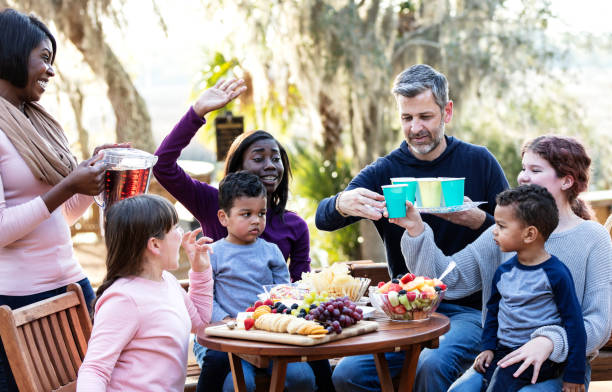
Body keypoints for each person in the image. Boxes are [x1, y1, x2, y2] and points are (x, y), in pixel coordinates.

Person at [327, 64, 509, 392]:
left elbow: (517, 236)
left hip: (468, 309)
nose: (415, 128)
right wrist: (342, 202)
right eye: (406, 118)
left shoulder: (479, 161)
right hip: (404, 309)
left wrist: (480, 221)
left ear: (447, 111)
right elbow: (324, 219)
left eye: (425, 116)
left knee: (432, 366)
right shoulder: (386, 169)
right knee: (346, 375)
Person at [393, 135, 611, 391]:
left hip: (563, 367)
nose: (523, 177)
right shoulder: (503, 233)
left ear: (567, 180)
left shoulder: (593, 238)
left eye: (535, 170)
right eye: (523, 168)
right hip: (503, 359)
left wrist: (549, 342)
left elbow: (598, 323)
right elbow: (447, 280)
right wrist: (416, 230)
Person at [153, 79, 330, 391]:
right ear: (238, 165)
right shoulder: (212, 201)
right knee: (232, 380)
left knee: (313, 371)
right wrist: (197, 112)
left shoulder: (294, 226)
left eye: (276, 158)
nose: (270, 165)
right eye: (258, 157)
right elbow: (163, 165)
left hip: (273, 332)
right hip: (223, 333)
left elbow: (295, 287)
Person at [0, 9, 125, 391]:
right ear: (12, 54)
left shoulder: (38, 123)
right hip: (19, 302)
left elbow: (59, 217)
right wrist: (69, 184)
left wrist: (91, 177)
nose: (50, 71)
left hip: (73, 287)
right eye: (45, 58)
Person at [77, 195, 214, 391]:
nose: (181, 233)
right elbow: (95, 369)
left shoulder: (168, 282)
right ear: (155, 245)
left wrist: (200, 271)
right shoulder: (123, 299)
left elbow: (200, 323)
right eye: (175, 227)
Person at [202, 171, 316, 392]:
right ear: (224, 217)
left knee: (302, 378)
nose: (256, 220)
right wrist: (227, 321)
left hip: (269, 337)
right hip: (232, 339)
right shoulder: (213, 253)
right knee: (236, 384)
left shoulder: (271, 252)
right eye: (246, 214)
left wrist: (277, 317)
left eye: (261, 213)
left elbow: (283, 294)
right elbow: (207, 297)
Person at [473, 185, 586, 392]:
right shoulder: (503, 272)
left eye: (501, 226)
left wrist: (575, 374)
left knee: (499, 383)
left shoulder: (556, 274)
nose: (494, 231)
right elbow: (493, 314)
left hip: (540, 358)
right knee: (481, 381)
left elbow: (574, 324)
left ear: (529, 234)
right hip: (503, 351)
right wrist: (487, 347)